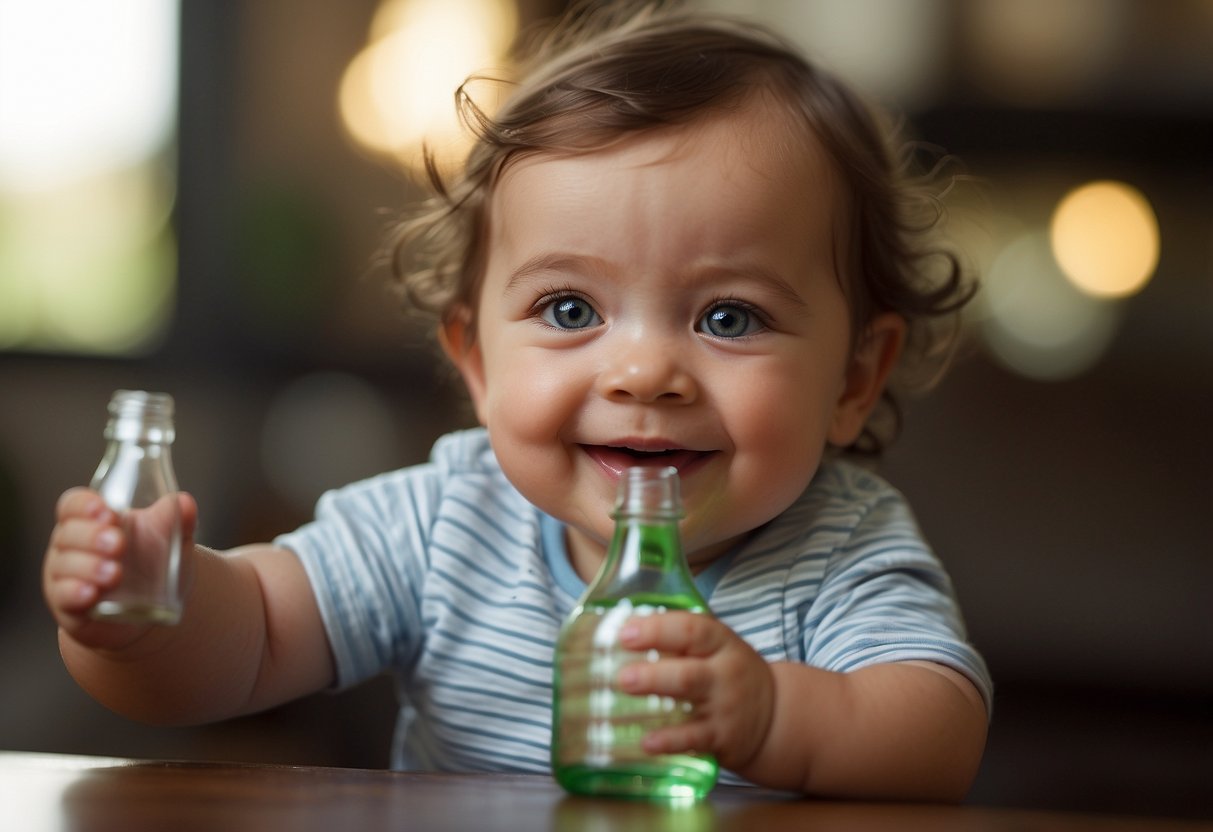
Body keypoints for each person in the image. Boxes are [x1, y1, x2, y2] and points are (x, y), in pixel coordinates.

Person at [43, 1, 991, 801]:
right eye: (570, 308)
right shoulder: (442, 520)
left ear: (853, 380)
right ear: (478, 363)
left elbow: (937, 733)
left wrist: (775, 715)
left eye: (730, 318)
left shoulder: (840, 549)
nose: (643, 374)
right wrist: (141, 615)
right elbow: (248, 638)